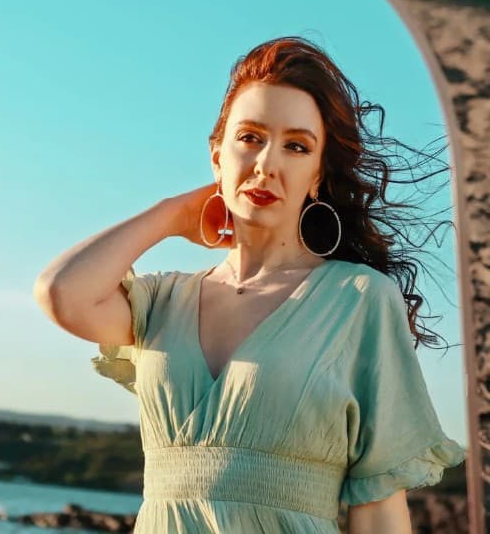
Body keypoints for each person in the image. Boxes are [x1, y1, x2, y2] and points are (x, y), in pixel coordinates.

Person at [33, 36, 466, 533]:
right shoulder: (163, 302)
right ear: (217, 154)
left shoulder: (359, 301)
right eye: (250, 138)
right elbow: (61, 293)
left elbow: (379, 509)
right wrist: (170, 215)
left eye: (296, 146)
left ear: (318, 175)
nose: (267, 164)